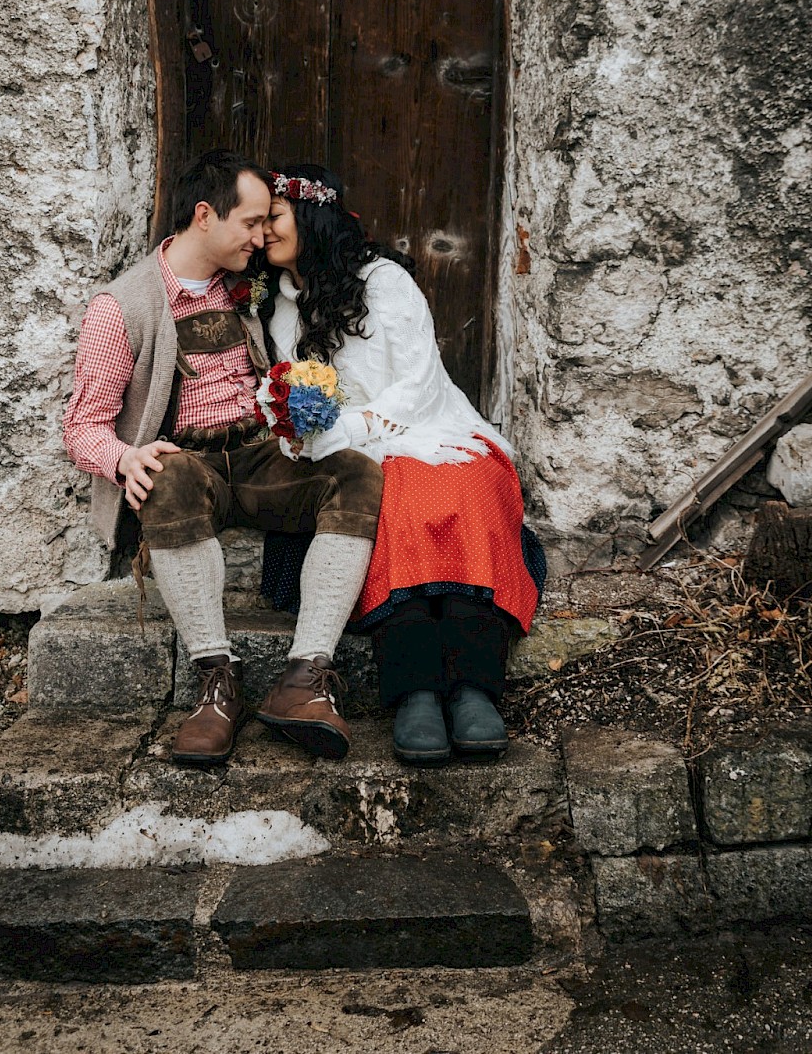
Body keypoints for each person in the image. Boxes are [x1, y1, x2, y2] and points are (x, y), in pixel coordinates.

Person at [62, 149, 384, 767]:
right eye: (252, 222)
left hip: (260, 454)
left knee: (356, 472)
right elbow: (83, 429)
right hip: (189, 465)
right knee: (164, 476)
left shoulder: (245, 285)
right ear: (205, 216)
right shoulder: (121, 306)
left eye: (267, 223)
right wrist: (126, 459)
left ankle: (304, 678)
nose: (263, 236)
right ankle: (217, 684)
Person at [258, 163, 544, 765]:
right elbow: (298, 400)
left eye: (273, 218)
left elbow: (416, 383)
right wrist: (322, 434)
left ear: (311, 215)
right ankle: (414, 691)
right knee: (395, 500)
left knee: (466, 487)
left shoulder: (385, 282)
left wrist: (357, 429)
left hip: (434, 428)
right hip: (352, 451)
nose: (261, 234)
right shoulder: (280, 312)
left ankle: (472, 689)